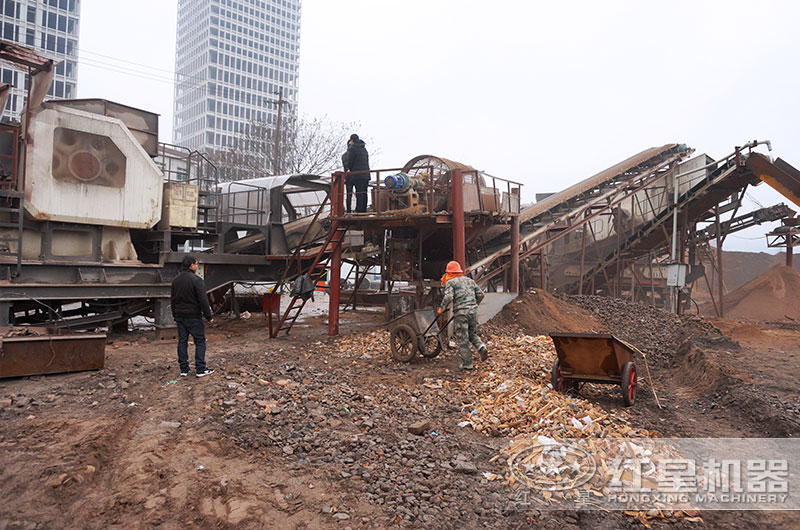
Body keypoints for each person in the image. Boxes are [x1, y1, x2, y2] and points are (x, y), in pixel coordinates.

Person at [438, 260, 487, 370]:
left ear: (448, 273)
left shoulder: (451, 282)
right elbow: (481, 294)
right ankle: (482, 347)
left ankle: (467, 364)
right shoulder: (470, 281)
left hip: (461, 314)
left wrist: (442, 308)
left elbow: (449, 297)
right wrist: (474, 305)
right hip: (473, 312)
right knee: (472, 334)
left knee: (463, 339)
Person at [171, 255, 215, 377]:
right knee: (200, 341)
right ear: (191, 265)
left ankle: (184, 369)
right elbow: (203, 300)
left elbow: (173, 300)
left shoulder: (175, 280)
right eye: (196, 264)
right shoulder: (197, 280)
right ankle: (200, 369)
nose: (197, 266)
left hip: (180, 316)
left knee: (182, 342)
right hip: (194, 316)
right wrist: (208, 317)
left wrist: (175, 315)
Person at [342, 133, 370, 213]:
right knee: (364, 192)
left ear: (352, 140)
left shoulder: (353, 149)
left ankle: (359, 210)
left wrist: (350, 169)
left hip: (357, 174)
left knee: (359, 193)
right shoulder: (364, 149)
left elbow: (351, 161)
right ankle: (364, 210)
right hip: (366, 174)